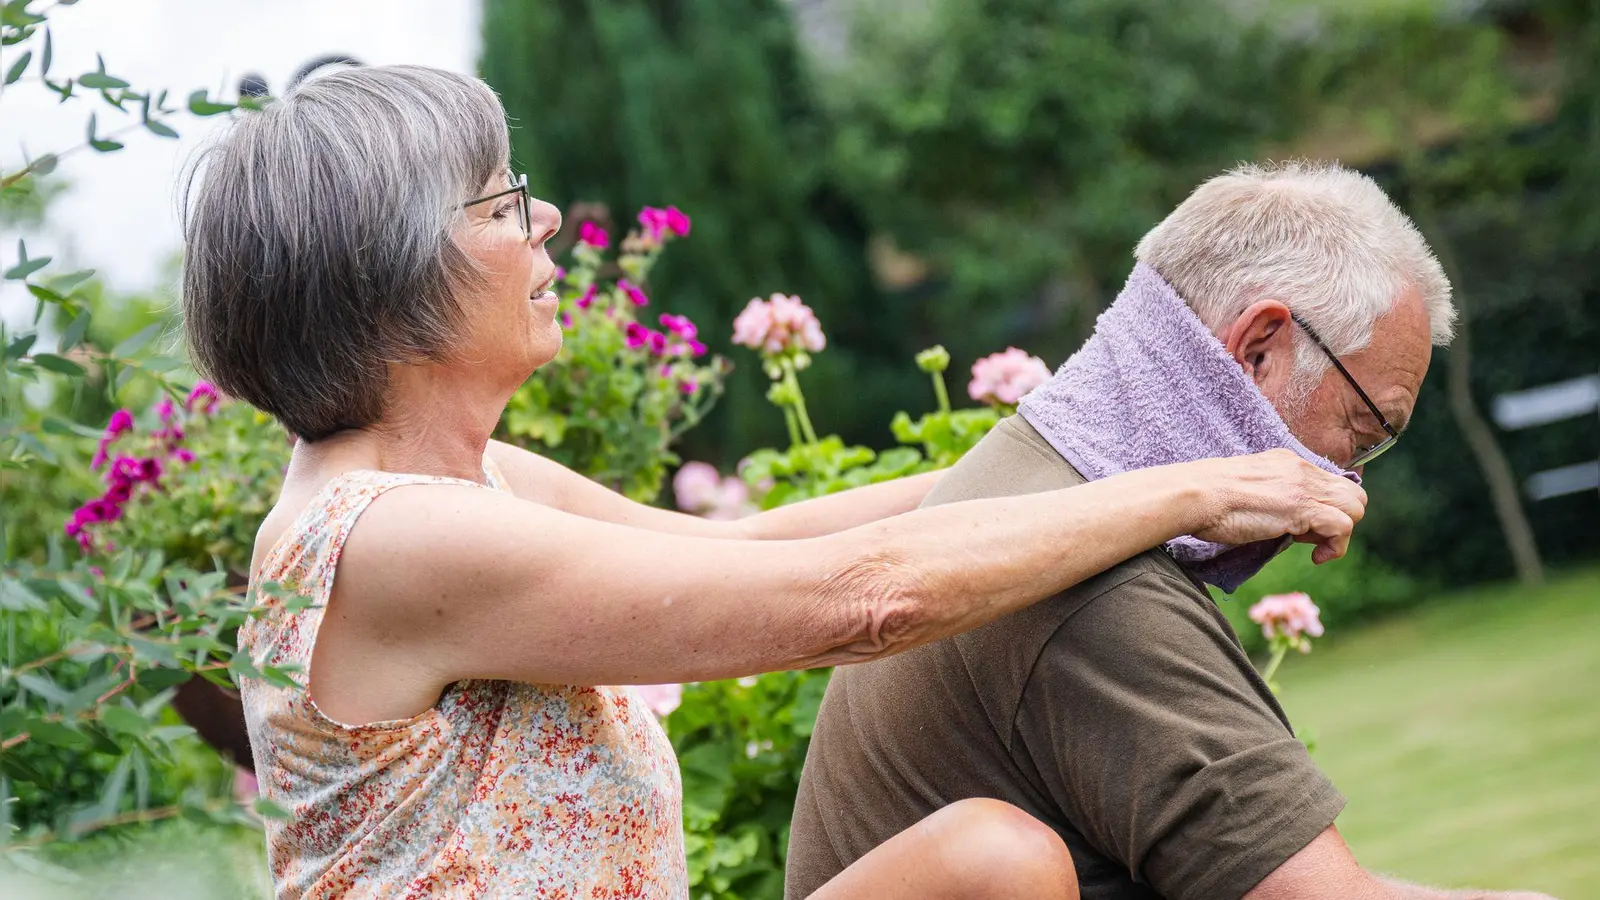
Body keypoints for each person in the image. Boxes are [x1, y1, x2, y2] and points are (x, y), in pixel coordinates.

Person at [181, 67, 1365, 900]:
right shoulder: (390, 539)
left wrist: (1077, 450)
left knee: (988, 859)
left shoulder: (464, 481)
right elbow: (856, 602)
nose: (544, 218)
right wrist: (1186, 493)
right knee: (993, 862)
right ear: (386, 282)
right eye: (499, 204)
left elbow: (751, 549)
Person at [785, 162, 1560, 900]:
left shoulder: (1026, 485)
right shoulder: (1099, 593)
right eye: (1362, 434)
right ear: (1259, 348)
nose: (1348, 487)